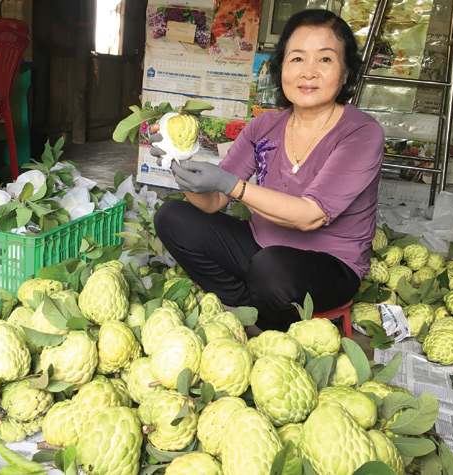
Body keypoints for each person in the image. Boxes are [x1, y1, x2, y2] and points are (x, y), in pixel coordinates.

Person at [150, 9, 385, 332]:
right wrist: (178, 163)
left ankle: (261, 314)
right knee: (172, 217)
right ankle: (246, 309)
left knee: (271, 268)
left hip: (329, 265)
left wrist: (231, 185)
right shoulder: (264, 126)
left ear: (346, 72)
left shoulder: (361, 133)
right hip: (261, 248)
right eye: (297, 59)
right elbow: (215, 200)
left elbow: (310, 215)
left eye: (325, 60)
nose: (309, 73)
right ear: (281, 68)